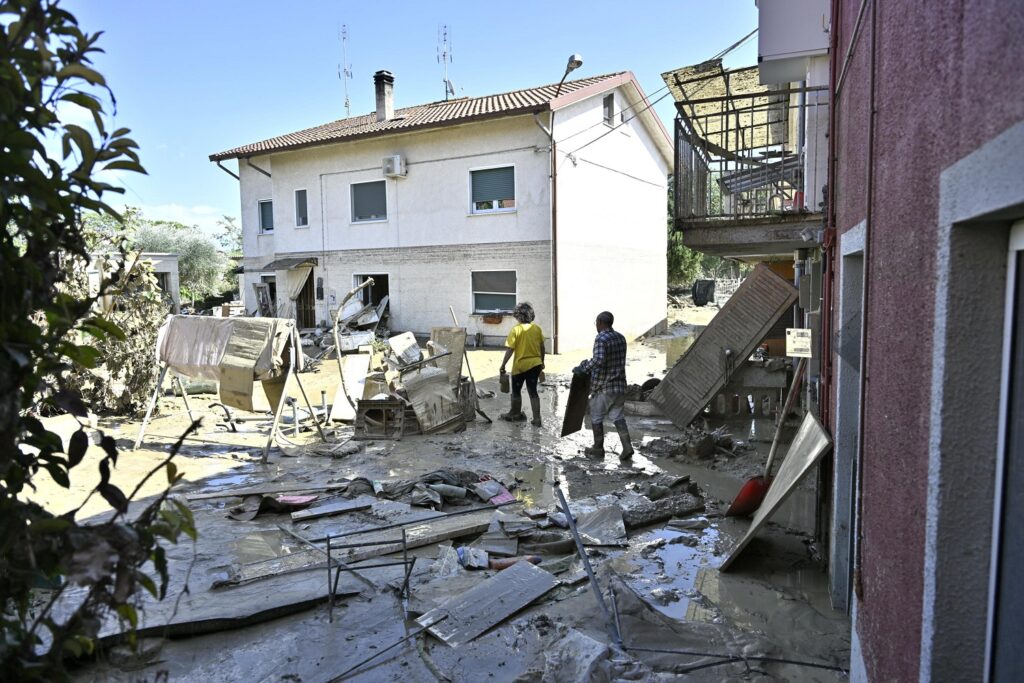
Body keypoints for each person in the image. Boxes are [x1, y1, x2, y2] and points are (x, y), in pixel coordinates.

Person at [574, 311, 633, 459]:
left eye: (596, 323)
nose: (596, 326)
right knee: (617, 415)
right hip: (619, 386)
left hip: (604, 387)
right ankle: (627, 447)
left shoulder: (601, 338)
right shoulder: (621, 337)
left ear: (600, 322)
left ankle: (598, 448)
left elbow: (599, 359)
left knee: (596, 417)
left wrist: (584, 368)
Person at [499, 302, 545, 426]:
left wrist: (503, 365)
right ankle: (537, 419)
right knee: (533, 391)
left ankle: (515, 414)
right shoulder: (537, 329)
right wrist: (542, 362)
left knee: (516, 391)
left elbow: (510, 349)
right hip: (535, 364)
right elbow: (542, 346)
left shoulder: (516, 330)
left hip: (520, 366)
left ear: (518, 316)